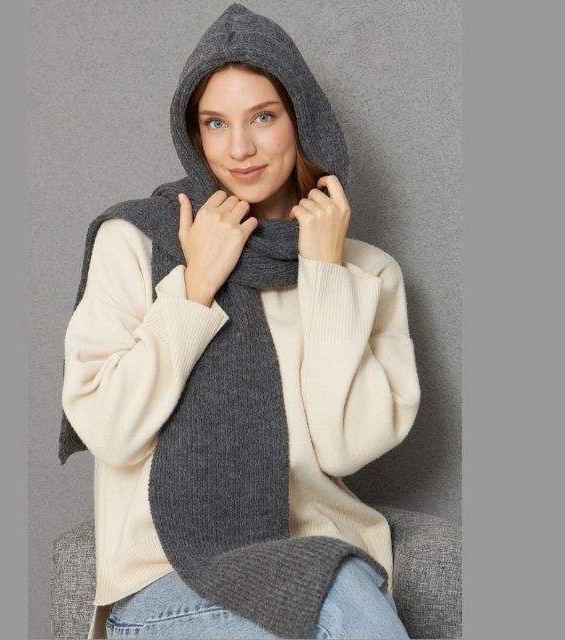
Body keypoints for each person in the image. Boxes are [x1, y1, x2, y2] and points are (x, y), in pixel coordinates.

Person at [60, 4, 420, 639]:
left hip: (323, 566)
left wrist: (325, 273)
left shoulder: (367, 273)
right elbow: (111, 432)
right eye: (216, 123)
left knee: (334, 588)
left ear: (301, 120)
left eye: (263, 117)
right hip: (166, 581)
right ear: (194, 135)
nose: (240, 148)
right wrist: (195, 288)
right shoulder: (138, 242)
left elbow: (345, 445)